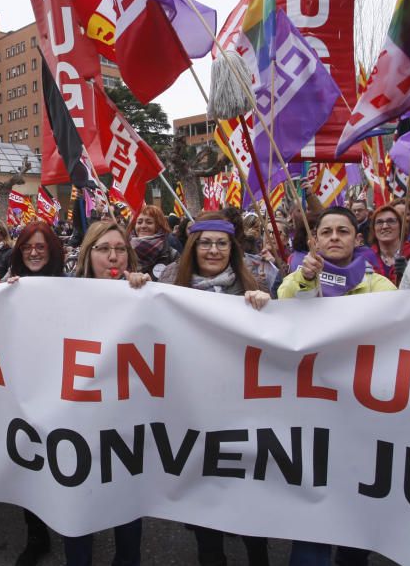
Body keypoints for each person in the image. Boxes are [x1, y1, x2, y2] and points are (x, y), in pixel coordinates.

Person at [278, 208, 395, 566]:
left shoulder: (378, 284)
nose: (333, 238)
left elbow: (395, 324)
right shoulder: (299, 276)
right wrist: (306, 281)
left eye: (342, 231)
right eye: (325, 232)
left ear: (357, 239)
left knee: (353, 506)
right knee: (311, 506)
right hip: (311, 407)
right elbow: (283, 308)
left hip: (360, 411)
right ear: (314, 241)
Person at [157, 213, 271, 566]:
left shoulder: (256, 281)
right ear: (193, 245)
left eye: (221, 243)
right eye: (205, 242)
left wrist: (265, 306)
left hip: (242, 411)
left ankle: (258, 557)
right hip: (192, 412)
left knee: (250, 493)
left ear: (231, 247)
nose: (213, 249)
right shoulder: (168, 284)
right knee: (204, 492)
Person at [66, 220, 150, 566]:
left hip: (125, 420)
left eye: (120, 249)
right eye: (104, 249)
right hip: (77, 420)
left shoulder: (145, 292)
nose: (112, 257)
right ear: (89, 254)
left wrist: (144, 293)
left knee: (126, 502)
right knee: (76, 503)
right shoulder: (61, 294)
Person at [0, 220, 67, 565]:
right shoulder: (6, 286)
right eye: (28, 247)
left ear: (52, 250)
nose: (34, 252)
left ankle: (72, 523)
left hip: (64, 392)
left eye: (41, 246)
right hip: (23, 392)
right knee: (31, 463)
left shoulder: (75, 287)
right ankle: (36, 534)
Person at [365, 204, 410, 286]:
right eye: (379, 222)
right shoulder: (364, 259)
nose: (384, 226)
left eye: (391, 221)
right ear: (373, 229)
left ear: (401, 226)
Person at [128, 205, 179, 279]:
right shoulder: (125, 252)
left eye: (149, 222)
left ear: (158, 226)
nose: (143, 226)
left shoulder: (172, 255)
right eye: (139, 222)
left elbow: (179, 283)